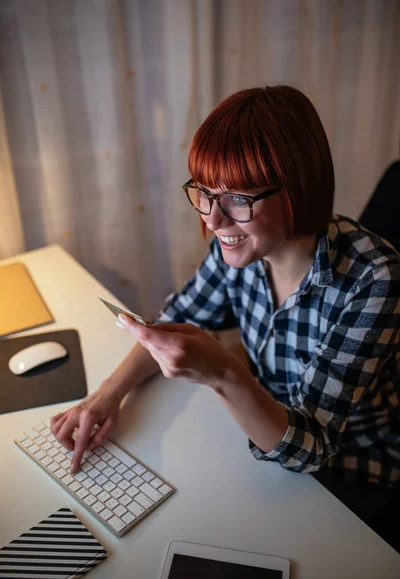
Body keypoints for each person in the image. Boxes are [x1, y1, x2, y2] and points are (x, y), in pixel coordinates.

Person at [51, 85, 400, 540]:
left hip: (349, 474)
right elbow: (173, 322)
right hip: (264, 438)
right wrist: (107, 395)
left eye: (238, 198)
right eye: (205, 193)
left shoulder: (374, 281)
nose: (213, 220)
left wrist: (223, 374)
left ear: (298, 190)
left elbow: (309, 449)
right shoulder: (239, 245)